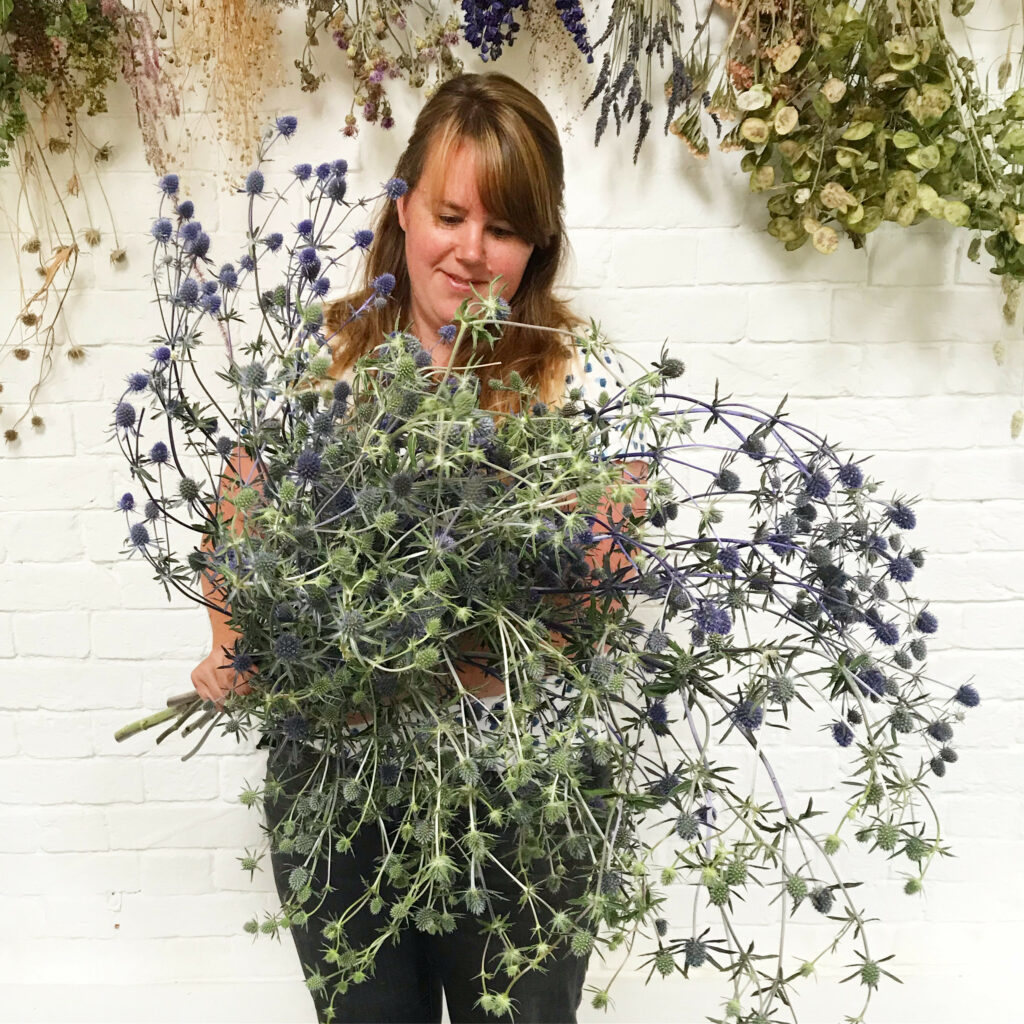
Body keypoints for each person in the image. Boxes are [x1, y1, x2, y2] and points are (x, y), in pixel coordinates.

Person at [191, 72, 648, 1023]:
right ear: (401, 209)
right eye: (450, 215)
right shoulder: (324, 361)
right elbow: (241, 510)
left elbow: (598, 595)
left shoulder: (581, 381)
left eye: (507, 229)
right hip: (337, 776)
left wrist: (458, 641)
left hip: (520, 786)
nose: (472, 252)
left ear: (538, 245)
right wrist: (234, 651)